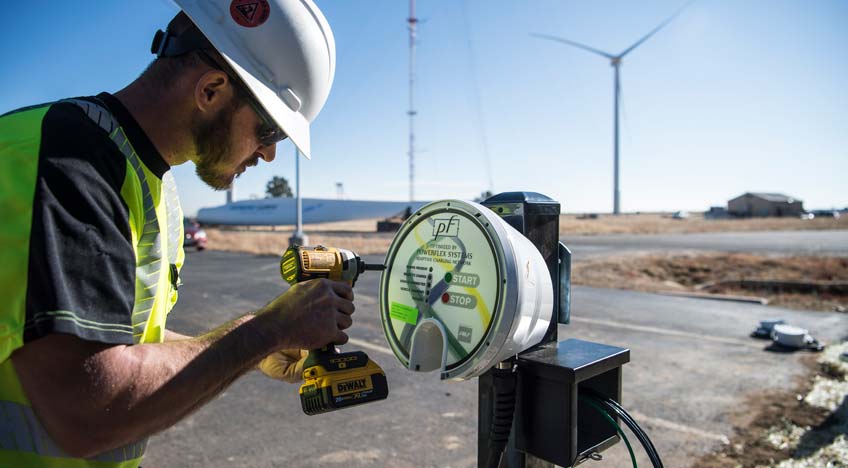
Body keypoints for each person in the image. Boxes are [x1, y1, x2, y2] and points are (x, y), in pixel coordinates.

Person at [0, 1, 344, 466]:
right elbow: (86, 411)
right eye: (269, 131)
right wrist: (269, 329)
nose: (268, 156)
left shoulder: (152, 184)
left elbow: (127, 341)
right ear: (211, 90)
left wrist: (259, 352)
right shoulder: (68, 162)